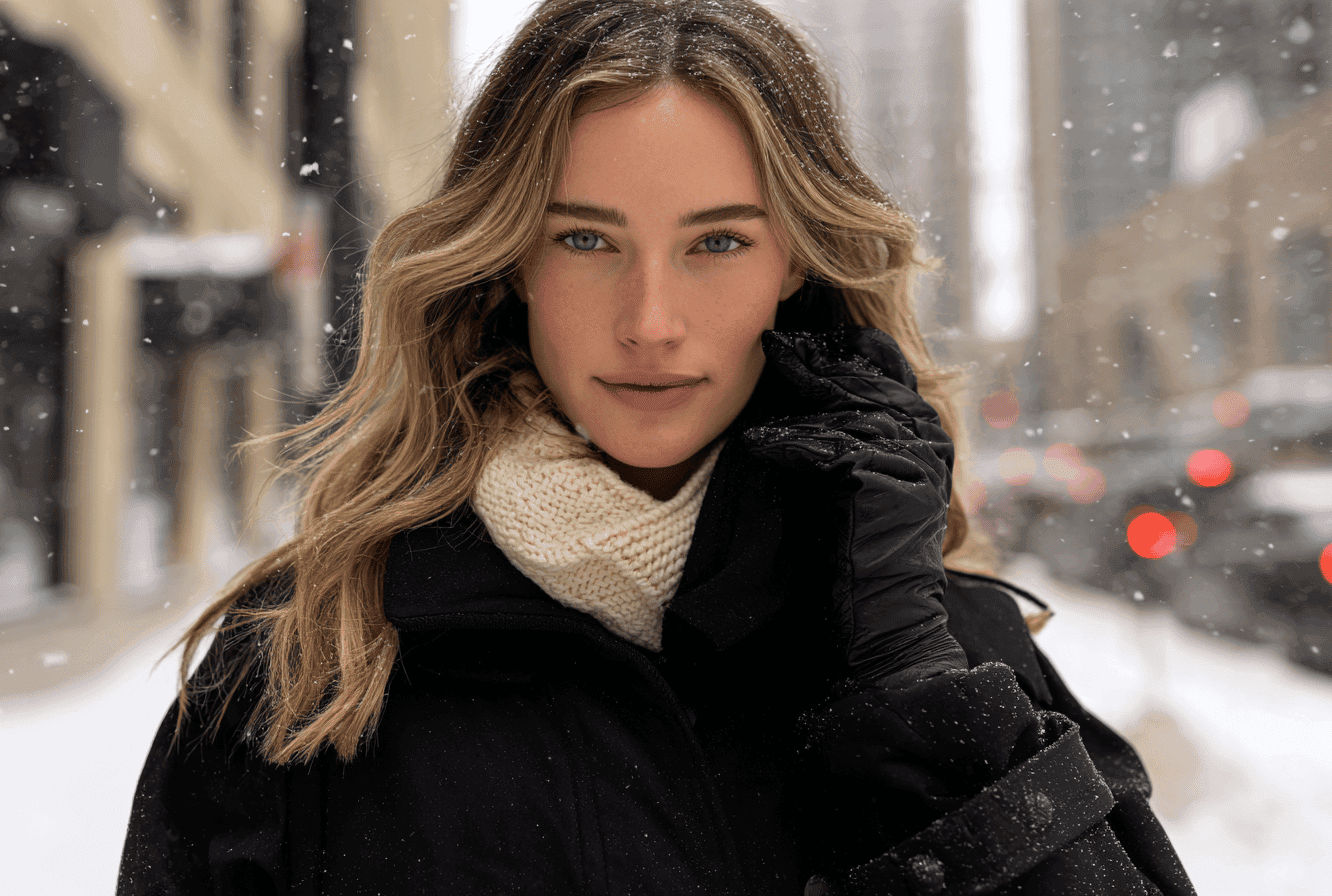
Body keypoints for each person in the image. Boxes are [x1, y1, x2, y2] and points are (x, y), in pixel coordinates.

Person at [117, 1, 1197, 893]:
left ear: (794, 260)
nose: (650, 320)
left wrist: (913, 699)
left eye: (716, 241)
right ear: (508, 262)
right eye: (585, 238)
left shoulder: (939, 648)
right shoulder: (311, 660)